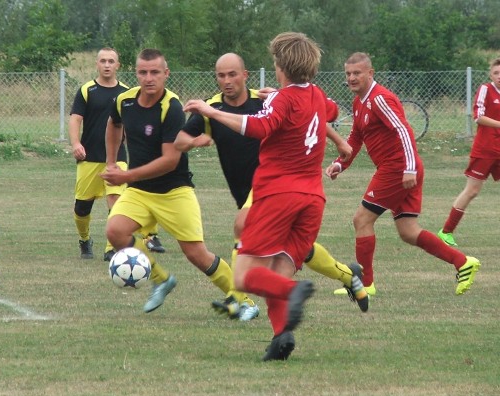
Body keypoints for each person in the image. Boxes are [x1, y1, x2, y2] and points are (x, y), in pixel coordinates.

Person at [183, 32, 343, 362]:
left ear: (281, 66)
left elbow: (258, 127)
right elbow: (332, 111)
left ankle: (295, 292)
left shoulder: (280, 100)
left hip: (278, 196)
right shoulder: (315, 93)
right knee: (277, 273)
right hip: (312, 199)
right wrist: (281, 97)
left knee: (244, 275)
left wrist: (211, 112)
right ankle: (280, 339)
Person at [175, 52, 369, 323]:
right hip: (248, 190)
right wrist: (195, 142)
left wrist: (337, 140)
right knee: (302, 250)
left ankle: (239, 299)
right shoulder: (212, 107)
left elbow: (306, 116)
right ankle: (349, 276)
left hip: (272, 186)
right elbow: (180, 141)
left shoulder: (265, 99)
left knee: (242, 225)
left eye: (233, 74)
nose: (227, 80)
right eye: (221, 75)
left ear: (246, 75)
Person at [326, 52, 480, 298]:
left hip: (397, 168)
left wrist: (408, 167)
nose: (352, 78)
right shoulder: (360, 102)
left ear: (370, 73)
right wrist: (340, 164)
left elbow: (404, 131)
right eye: (348, 73)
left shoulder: (380, 99)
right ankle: (463, 262)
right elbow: (356, 137)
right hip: (399, 168)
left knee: (361, 220)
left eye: (357, 73)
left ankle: (365, 285)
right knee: (408, 231)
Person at [101, 48, 238, 315]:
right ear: (136, 73)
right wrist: (110, 161)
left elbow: (169, 161)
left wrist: (125, 175)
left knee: (197, 255)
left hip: (174, 191)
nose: (148, 78)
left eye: (154, 72)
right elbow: (113, 124)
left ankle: (243, 300)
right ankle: (161, 281)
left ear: (166, 74)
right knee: (115, 231)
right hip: (139, 191)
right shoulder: (124, 101)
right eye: (142, 72)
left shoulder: (172, 108)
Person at [69, 48, 165, 262]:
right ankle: (84, 240)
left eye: (111, 61)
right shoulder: (87, 90)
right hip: (89, 158)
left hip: (117, 158)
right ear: (97, 64)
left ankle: (111, 248)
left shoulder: (127, 94)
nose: (107, 65)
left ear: (118, 65)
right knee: (82, 207)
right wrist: (76, 143)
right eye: (103, 60)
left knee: (116, 202)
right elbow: (75, 118)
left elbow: (133, 124)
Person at [437, 57, 500, 247]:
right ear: (490, 74)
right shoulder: (485, 90)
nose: (499, 76)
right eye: (496, 73)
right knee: (472, 191)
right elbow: (478, 117)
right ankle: (446, 232)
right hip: (485, 150)